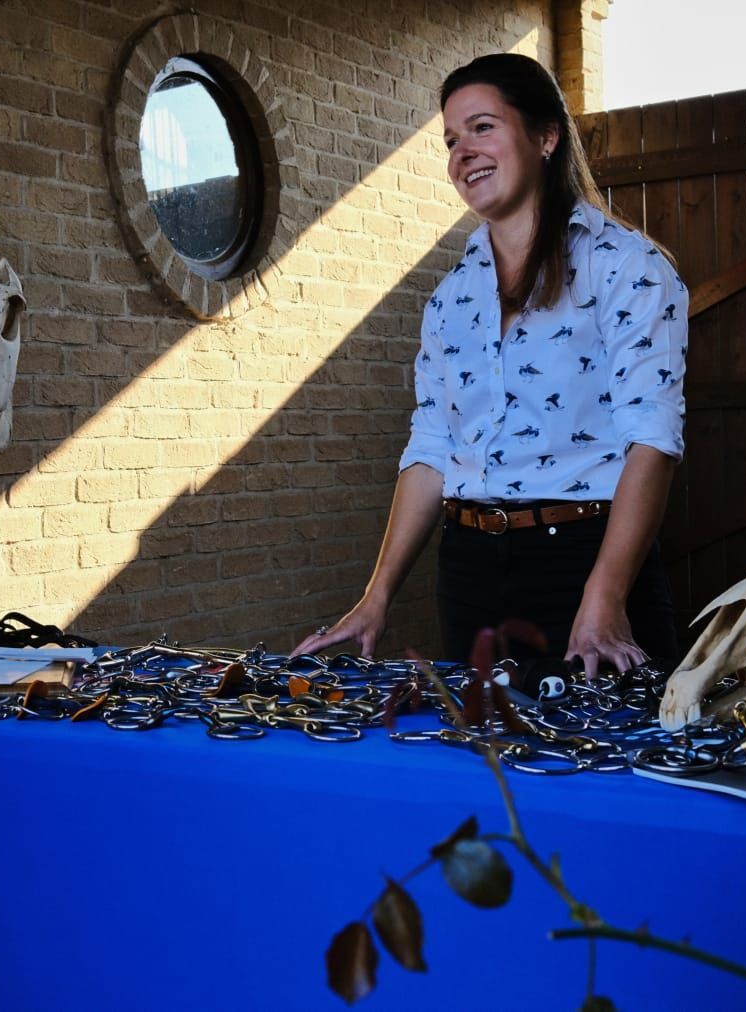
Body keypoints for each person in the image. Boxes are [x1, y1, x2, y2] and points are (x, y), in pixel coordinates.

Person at [291, 53, 686, 686]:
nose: (462, 152)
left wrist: (606, 596)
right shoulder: (450, 298)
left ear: (546, 136)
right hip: (469, 570)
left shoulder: (628, 267)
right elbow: (430, 448)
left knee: (606, 771)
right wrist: (377, 597)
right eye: (451, 139)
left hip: (585, 563)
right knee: (489, 771)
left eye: (482, 127)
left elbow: (653, 438)